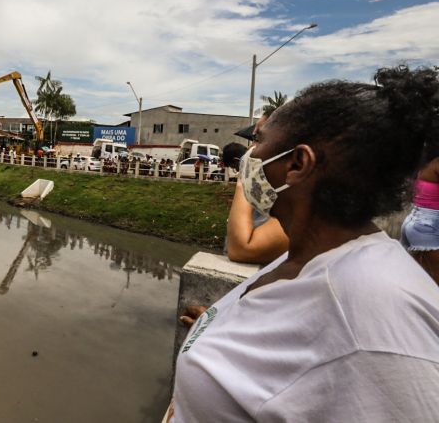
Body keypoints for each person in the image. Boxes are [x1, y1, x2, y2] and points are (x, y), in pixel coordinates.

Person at [166, 66, 439, 422]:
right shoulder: (305, 257)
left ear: (297, 163)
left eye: (260, 142)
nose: (250, 155)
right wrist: (221, 330)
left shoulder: (372, 315)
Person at [224, 121, 290, 264]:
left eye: (258, 140)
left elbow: (242, 249)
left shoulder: (303, 211)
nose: (251, 149)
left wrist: (245, 178)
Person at [402, 156, 439, 284]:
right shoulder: (437, 165)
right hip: (428, 227)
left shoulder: (426, 163)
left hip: (418, 223)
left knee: (421, 278)